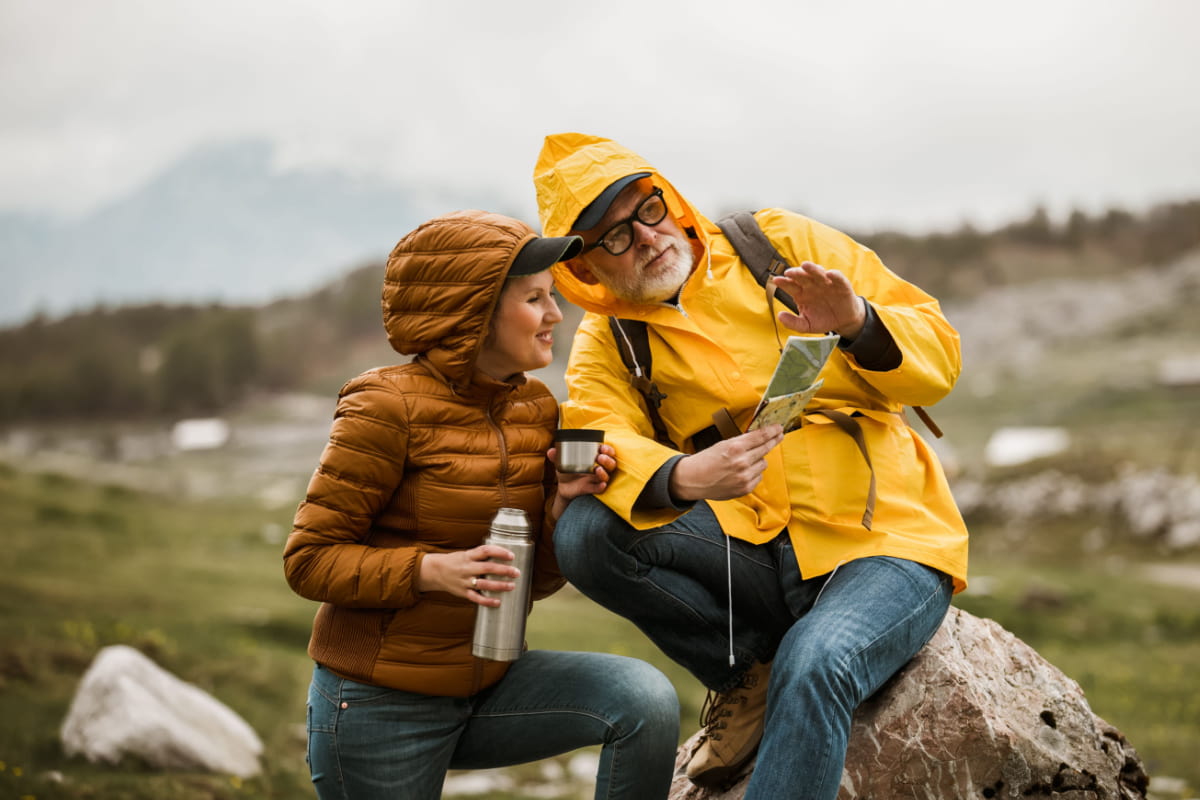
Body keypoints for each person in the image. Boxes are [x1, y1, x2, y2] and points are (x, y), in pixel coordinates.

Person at [531, 133, 969, 800]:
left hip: (885, 540)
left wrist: (857, 321)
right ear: (584, 268)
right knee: (586, 533)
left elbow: (940, 354)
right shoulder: (608, 341)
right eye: (613, 237)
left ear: (669, 200)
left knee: (817, 660)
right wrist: (683, 477)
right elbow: (596, 435)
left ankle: (781, 667)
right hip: (751, 556)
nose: (646, 238)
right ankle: (745, 677)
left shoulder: (777, 241)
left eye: (646, 209)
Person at [283, 209, 680, 800]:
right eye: (535, 300)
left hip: (489, 685)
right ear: (474, 313)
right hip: (377, 703)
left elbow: (532, 582)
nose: (554, 315)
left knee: (642, 700)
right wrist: (431, 570)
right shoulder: (385, 407)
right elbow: (309, 560)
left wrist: (558, 512)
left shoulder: (536, 408)